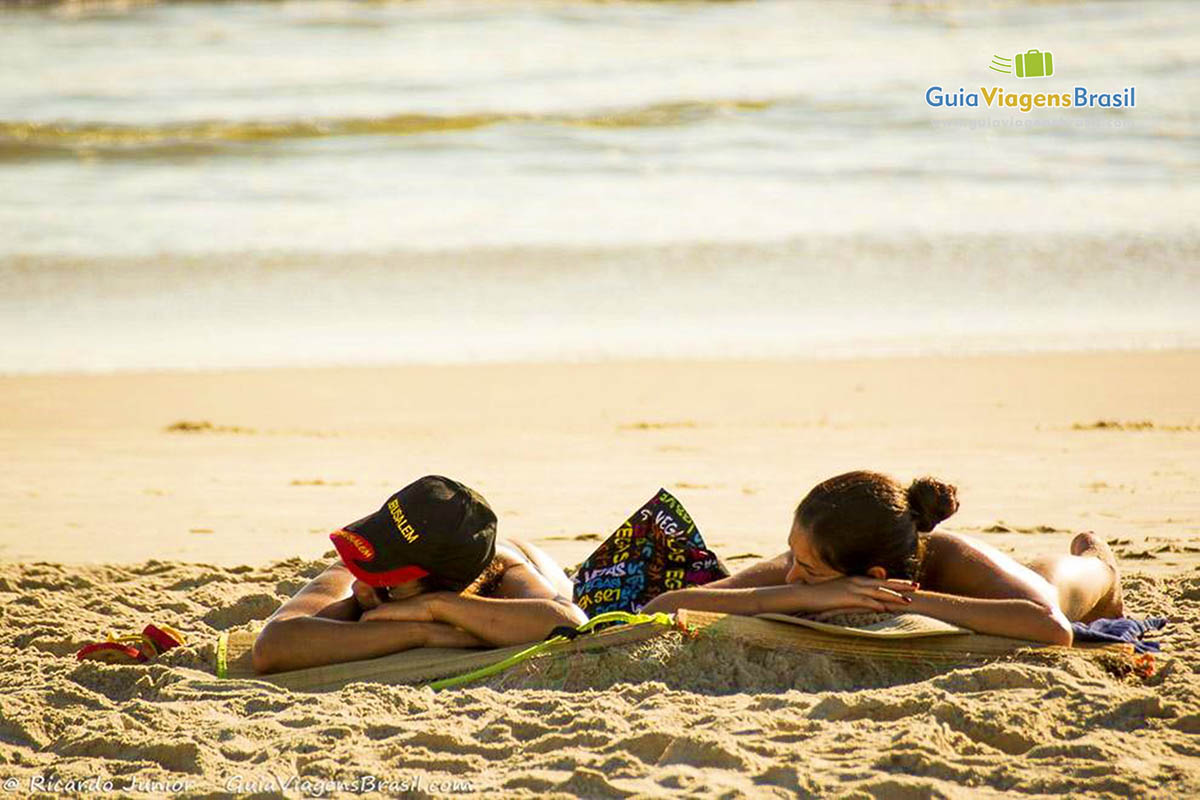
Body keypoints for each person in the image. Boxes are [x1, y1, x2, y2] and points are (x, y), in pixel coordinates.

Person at [641, 471, 1124, 646]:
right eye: (794, 555)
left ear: (871, 577)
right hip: (901, 577)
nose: (793, 572)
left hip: (1027, 589)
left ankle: (1098, 557)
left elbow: (1054, 627)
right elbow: (662, 607)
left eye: (806, 569)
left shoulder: (952, 558)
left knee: (1067, 577)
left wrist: (905, 603)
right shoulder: (808, 563)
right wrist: (799, 589)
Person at [252, 475, 587, 674]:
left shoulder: (503, 571)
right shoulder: (364, 570)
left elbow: (567, 621)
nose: (366, 579)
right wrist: (419, 632)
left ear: (443, 584)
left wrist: (436, 607)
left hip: (535, 564)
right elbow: (273, 647)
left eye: (389, 576)